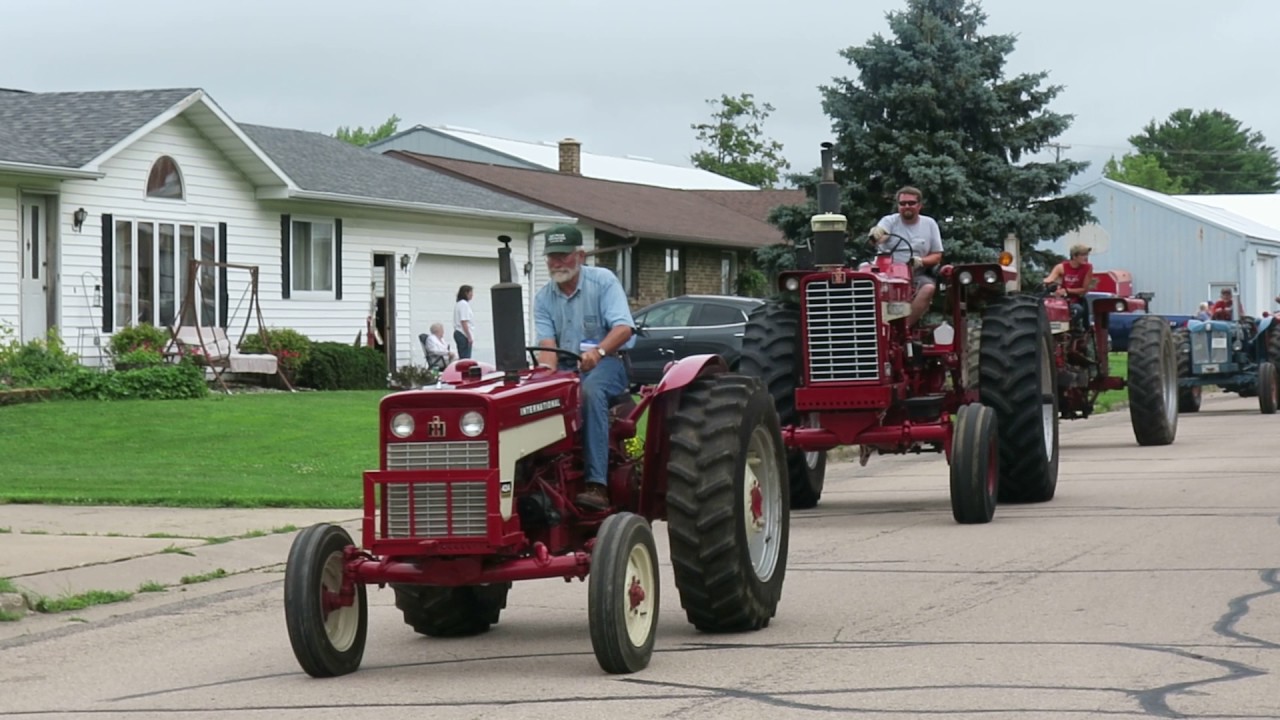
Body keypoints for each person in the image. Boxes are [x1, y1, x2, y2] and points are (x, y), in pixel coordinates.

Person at [533, 224, 636, 511]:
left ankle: (597, 485)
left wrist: (599, 350)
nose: (556, 263)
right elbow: (547, 348)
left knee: (590, 391)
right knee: (539, 395)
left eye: (563, 256)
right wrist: (544, 377)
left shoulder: (602, 282)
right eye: (551, 256)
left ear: (580, 256)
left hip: (608, 362)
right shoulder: (544, 298)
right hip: (567, 365)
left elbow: (624, 328)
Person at [868, 186, 944, 326]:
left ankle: (904, 329)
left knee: (928, 288)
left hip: (914, 274)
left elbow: (937, 255)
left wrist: (920, 261)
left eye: (911, 203)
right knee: (864, 277)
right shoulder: (889, 221)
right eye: (902, 204)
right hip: (886, 274)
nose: (906, 206)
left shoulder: (929, 224)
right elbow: (880, 237)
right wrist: (877, 235)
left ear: (919, 205)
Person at [1042, 244, 1095, 328]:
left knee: (1078, 310)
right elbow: (1050, 279)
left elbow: (1084, 289)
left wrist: (1067, 290)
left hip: (1074, 301)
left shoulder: (1088, 267)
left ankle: (1073, 328)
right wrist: (1048, 284)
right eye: (1083, 255)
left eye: (1086, 255)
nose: (1086, 257)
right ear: (1074, 256)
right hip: (1059, 300)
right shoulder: (1061, 267)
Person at [453, 285, 475, 359]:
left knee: (463, 357)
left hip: (459, 333)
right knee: (465, 358)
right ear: (466, 293)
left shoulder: (459, 304)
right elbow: (463, 321)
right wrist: (469, 336)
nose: (472, 295)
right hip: (463, 334)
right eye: (470, 292)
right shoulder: (463, 304)